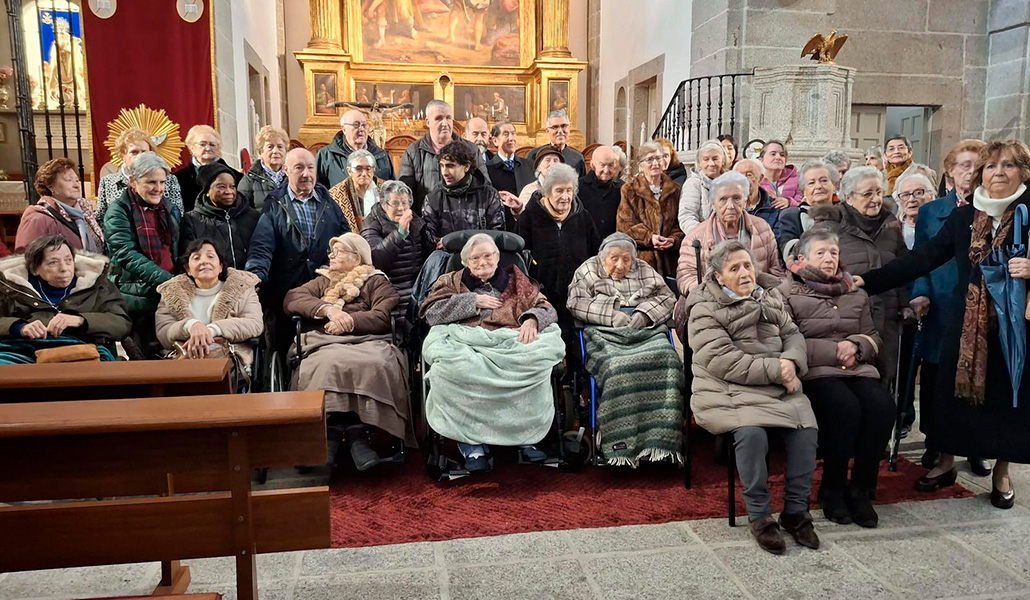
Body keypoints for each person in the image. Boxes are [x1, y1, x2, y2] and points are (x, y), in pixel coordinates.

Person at [855, 139, 1030, 507]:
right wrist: (867, 282)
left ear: (1023, 172)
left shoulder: (1029, 212)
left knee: (1007, 401)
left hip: (1016, 330)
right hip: (967, 323)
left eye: (1009, 166)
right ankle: (947, 463)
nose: (999, 173)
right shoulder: (967, 215)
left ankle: (1001, 472)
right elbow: (924, 258)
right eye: (992, 166)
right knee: (953, 395)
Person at [685, 240, 820, 554]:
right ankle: (759, 516)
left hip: (778, 383)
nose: (745, 272)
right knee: (751, 434)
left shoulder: (768, 294)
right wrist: (779, 370)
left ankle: (796, 512)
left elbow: (792, 333)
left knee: (805, 429)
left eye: (747, 265)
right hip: (727, 389)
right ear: (718, 277)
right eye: (734, 268)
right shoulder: (704, 308)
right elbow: (723, 361)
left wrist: (792, 362)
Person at [419, 233, 564, 472]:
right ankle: (472, 445)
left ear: (498, 257)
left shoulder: (518, 280)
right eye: (475, 258)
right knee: (453, 369)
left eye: (488, 255)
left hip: (511, 339)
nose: (482, 262)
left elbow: (545, 307)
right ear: (465, 261)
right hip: (467, 342)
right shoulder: (450, 281)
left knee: (534, 362)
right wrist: (472, 301)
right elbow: (431, 313)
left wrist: (532, 320)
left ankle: (526, 437)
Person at [781, 229, 895, 528]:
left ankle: (860, 489)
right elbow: (788, 339)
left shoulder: (854, 291)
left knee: (882, 406)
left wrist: (858, 345)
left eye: (833, 252)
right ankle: (832, 488)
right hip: (817, 371)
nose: (830, 258)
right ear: (802, 258)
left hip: (857, 368)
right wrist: (834, 351)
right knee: (844, 408)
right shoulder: (787, 292)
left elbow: (872, 336)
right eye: (821, 253)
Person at [284, 232, 415, 470]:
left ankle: (359, 434)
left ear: (357, 257)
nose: (332, 256)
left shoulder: (376, 280)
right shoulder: (323, 280)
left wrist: (350, 321)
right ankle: (329, 433)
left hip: (370, 340)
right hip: (326, 341)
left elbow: (383, 315)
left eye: (339, 252)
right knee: (325, 363)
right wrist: (329, 310)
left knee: (379, 363)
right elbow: (293, 298)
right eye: (331, 252)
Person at [909, 139, 989, 475]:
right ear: (950, 171)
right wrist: (921, 292)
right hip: (940, 303)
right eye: (963, 165)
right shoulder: (931, 211)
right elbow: (921, 259)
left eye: (975, 165)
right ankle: (936, 442)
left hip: (981, 307)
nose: (969, 172)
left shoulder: (996, 209)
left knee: (977, 375)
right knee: (937, 377)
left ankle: (977, 445)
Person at [566, 232, 681, 466]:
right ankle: (620, 444)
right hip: (605, 334)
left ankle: (659, 443)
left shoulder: (644, 269)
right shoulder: (588, 270)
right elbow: (575, 302)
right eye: (614, 258)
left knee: (669, 361)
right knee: (617, 367)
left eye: (626, 259)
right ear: (602, 257)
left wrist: (644, 313)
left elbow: (667, 297)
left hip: (645, 331)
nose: (621, 265)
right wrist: (610, 315)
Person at [810, 166, 908, 385]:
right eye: (867, 194)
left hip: (887, 318)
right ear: (848, 198)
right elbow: (811, 273)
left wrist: (907, 302)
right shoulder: (828, 227)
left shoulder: (890, 224)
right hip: (845, 322)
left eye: (879, 192)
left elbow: (904, 267)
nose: (875, 199)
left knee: (885, 380)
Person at [246, 148, 349, 351]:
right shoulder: (275, 204)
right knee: (286, 350)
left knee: (321, 348)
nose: (306, 174)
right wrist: (255, 275)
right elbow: (262, 246)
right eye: (299, 168)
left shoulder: (328, 202)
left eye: (310, 168)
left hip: (324, 289)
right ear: (286, 170)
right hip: (285, 290)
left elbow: (346, 241)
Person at [519, 163, 600, 371]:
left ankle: (576, 382)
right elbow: (520, 255)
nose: (565, 196)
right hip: (544, 290)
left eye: (569, 190)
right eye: (559, 190)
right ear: (547, 191)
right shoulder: (531, 215)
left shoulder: (582, 216)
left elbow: (595, 253)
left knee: (577, 341)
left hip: (577, 291)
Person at [0, 235, 130, 364]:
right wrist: (18, 327)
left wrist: (81, 320)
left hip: (83, 353)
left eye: (68, 261)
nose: (64, 269)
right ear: (35, 269)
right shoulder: (10, 287)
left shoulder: (97, 285)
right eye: (53, 263)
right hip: (23, 352)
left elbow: (121, 324)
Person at [103, 151, 181, 357]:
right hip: (137, 296)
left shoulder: (170, 209)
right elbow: (125, 253)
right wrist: (165, 281)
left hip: (169, 293)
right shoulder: (119, 210)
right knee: (146, 357)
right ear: (132, 181)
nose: (158, 188)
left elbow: (176, 248)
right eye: (151, 182)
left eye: (162, 182)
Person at [155, 239, 263, 369]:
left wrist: (212, 330)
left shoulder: (243, 289)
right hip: (182, 360)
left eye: (210, 256)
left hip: (229, 358)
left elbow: (254, 323)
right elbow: (163, 331)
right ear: (188, 269)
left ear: (220, 267)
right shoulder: (172, 293)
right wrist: (191, 325)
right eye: (196, 258)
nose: (204, 261)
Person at [675, 171, 783, 298]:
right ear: (713, 204)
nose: (730, 206)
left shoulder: (762, 228)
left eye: (737, 198)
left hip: (758, 298)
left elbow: (776, 270)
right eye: (723, 199)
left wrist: (766, 297)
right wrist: (710, 296)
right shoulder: (696, 237)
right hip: (714, 302)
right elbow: (686, 276)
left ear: (745, 201)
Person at [361, 180, 432, 328]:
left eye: (405, 203)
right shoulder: (372, 224)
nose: (401, 208)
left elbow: (428, 254)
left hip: (417, 286)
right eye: (395, 203)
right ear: (384, 204)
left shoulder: (416, 221)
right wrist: (399, 234)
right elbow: (376, 260)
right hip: (390, 288)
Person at [399, 100, 488, 214]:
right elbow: (404, 193)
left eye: (448, 118)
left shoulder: (471, 149)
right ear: (428, 122)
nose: (445, 123)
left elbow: (484, 186)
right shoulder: (414, 152)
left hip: (464, 220)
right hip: (426, 220)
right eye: (439, 118)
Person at [616, 141, 684, 279]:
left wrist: (673, 240)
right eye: (650, 159)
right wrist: (649, 237)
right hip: (642, 261)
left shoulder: (675, 190)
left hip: (670, 260)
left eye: (658, 158)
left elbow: (680, 222)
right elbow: (625, 225)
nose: (655, 163)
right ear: (641, 165)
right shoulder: (629, 190)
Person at [422, 141, 505, 248]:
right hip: (446, 258)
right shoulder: (433, 199)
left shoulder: (489, 196)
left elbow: (498, 234)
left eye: (450, 166)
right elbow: (428, 239)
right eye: (442, 166)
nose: (444, 172)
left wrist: (457, 241)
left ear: (466, 167)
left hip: (481, 257)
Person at [179, 163, 260, 270]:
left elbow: (262, 251)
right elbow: (189, 259)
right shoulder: (192, 220)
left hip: (251, 281)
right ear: (207, 190)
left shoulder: (253, 216)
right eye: (221, 187)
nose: (229, 191)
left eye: (232, 187)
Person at [16, 158, 104, 254]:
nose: (76, 185)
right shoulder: (37, 218)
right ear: (50, 186)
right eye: (69, 180)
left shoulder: (85, 212)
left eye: (77, 180)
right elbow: (27, 258)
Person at [97, 127, 183, 220]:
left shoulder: (169, 180)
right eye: (134, 152)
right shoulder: (108, 182)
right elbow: (100, 218)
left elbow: (178, 214)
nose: (140, 156)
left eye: (144, 152)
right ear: (123, 155)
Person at [779, 159, 841, 263]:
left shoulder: (846, 212)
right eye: (811, 183)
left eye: (824, 181)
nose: (818, 186)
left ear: (834, 185)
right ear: (803, 190)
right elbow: (788, 250)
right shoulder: (791, 216)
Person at [316, 109, 394, 189]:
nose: (361, 129)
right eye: (356, 125)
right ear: (344, 129)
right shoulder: (326, 155)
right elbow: (318, 190)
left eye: (364, 125)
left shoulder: (381, 155)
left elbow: (392, 189)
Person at [175, 125, 237, 213]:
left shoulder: (236, 177)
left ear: (218, 148)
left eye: (212, 145)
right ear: (191, 147)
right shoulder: (179, 178)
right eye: (203, 144)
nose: (208, 148)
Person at [484, 121, 533, 230]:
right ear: (495, 141)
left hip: (526, 226)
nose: (511, 138)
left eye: (513, 133)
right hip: (500, 227)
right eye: (506, 134)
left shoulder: (529, 165)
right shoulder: (486, 169)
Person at [677, 140, 728, 234]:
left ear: (723, 160)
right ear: (699, 162)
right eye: (706, 159)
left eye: (715, 159)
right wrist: (704, 235)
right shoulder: (693, 184)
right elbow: (687, 216)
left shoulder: (731, 182)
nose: (711, 163)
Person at [328, 149, 382, 233]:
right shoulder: (335, 194)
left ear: (373, 170)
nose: (364, 173)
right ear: (349, 171)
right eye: (359, 169)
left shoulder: (385, 189)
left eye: (368, 168)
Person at [238, 125, 288, 211]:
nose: (275, 151)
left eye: (280, 147)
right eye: (270, 147)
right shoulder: (249, 180)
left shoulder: (293, 176)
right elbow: (241, 212)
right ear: (261, 151)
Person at [579, 145, 624, 239]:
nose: (606, 170)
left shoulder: (623, 188)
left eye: (611, 165)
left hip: (612, 244)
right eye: (602, 165)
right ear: (593, 165)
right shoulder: (579, 187)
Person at [526, 110, 586, 177]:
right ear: (547, 130)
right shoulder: (535, 155)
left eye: (564, 126)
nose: (560, 131)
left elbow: (581, 185)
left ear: (569, 128)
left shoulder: (577, 158)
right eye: (555, 127)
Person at [734, 158, 780, 237]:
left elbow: (776, 240)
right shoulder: (728, 206)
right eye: (739, 176)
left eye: (749, 175)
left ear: (760, 179)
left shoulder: (775, 207)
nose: (744, 180)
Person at [896, 172, 937, 250]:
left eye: (918, 193)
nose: (911, 199)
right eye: (905, 195)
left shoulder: (943, 225)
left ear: (931, 195)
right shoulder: (892, 229)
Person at [517, 145, 565, 210]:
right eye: (547, 160)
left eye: (555, 161)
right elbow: (523, 215)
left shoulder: (567, 189)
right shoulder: (529, 190)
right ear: (539, 167)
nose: (552, 164)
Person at [759, 140, 802, 208]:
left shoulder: (798, 180)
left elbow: (803, 204)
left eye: (782, 155)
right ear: (761, 160)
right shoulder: (755, 181)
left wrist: (789, 202)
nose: (778, 157)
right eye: (773, 154)